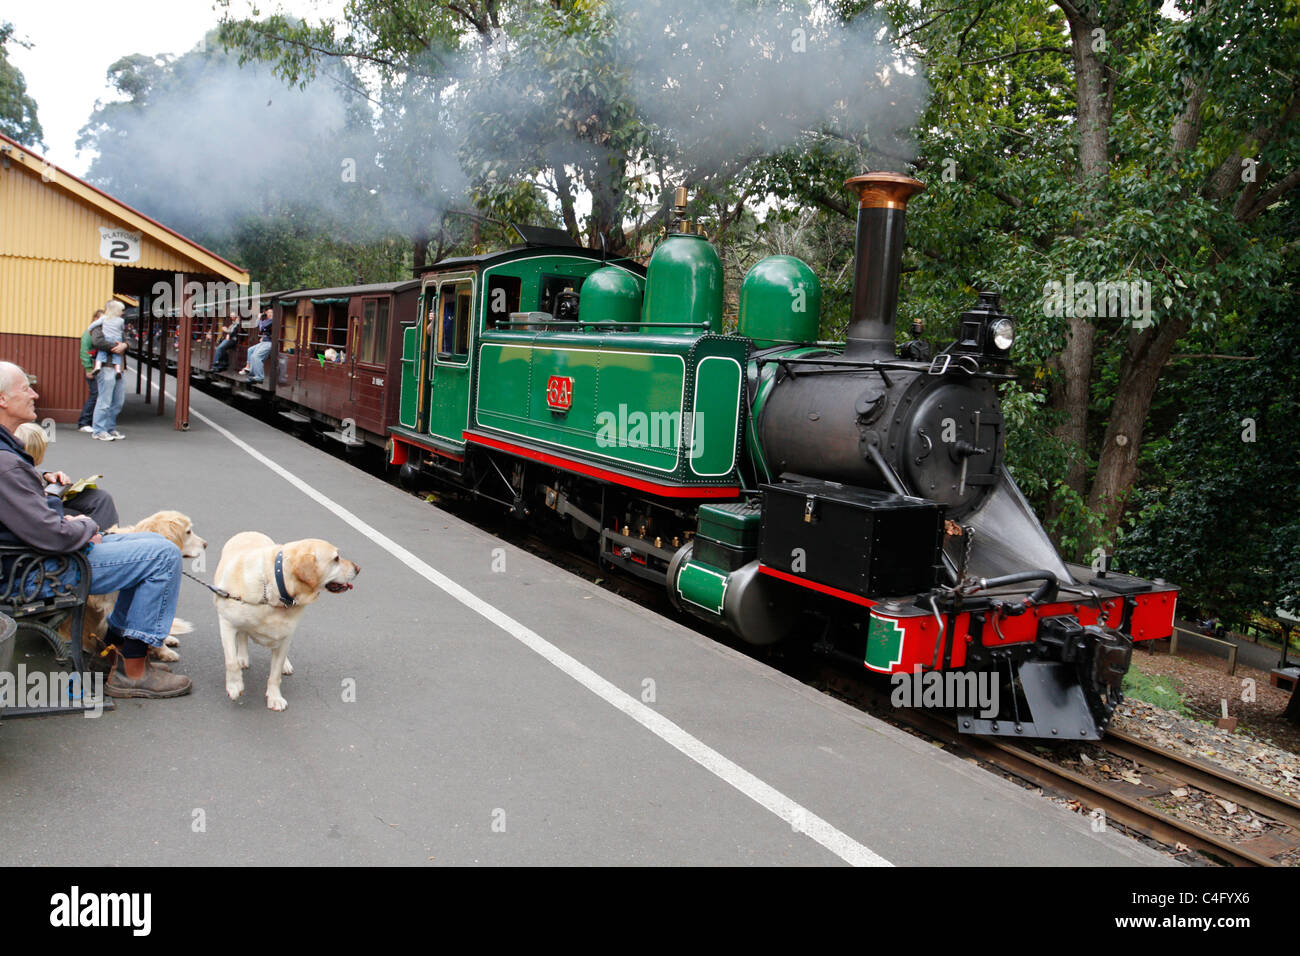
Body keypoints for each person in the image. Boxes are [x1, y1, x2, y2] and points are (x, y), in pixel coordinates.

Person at [0, 361, 190, 698]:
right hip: (36, 570)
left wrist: (47, 492)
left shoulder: (7, 455)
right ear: (2, 399)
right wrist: (84, 525)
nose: (35, 394)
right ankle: (132, 670)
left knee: (146, 541)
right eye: (25, 389)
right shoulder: (5, 464)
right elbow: (51, 535)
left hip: (26, 558)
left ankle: (113, 649)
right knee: (162, 553)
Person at [12, 421, 120, 531]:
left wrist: (46, 474)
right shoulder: (13, 469)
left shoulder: (20, 462)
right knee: (83, 514)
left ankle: (106, 535)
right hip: (41, 508)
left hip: (47, 495)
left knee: (101, 498)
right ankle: (101, 539)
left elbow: (34, 470)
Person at [89, 300, 128, 441]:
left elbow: (125, 340)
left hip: (119, 367)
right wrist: (116, 347)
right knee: (104, 401)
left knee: (118, 401)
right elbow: (97, 341)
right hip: (106, 366)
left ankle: (110, 428)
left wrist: (124, 345)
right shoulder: (100, 324)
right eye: (121, 310)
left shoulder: (119, 324)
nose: (122, 313)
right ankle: (98, 430)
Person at [76, 309, 104, 434]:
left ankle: (91, 421)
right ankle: (84, 422)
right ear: (94, 319)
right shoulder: (88, 333)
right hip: (93, 368)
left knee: (98, 395)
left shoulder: (100, 333)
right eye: (100, 318)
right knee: (95, 394)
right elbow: (84, 351)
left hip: (100, 368)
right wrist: (88, 368)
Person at [242, 307, 274, 383]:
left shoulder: (272, 321)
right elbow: (258, 326)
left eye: (271, 312)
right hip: (264, 342)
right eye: (268, 312)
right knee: (250, 351)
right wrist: (258, 319)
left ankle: (259, 377)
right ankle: (251, 372)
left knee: (256, 356)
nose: (269, 314)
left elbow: (262, 327)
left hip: (270, 342)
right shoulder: (267, 320)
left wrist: (259, 319)